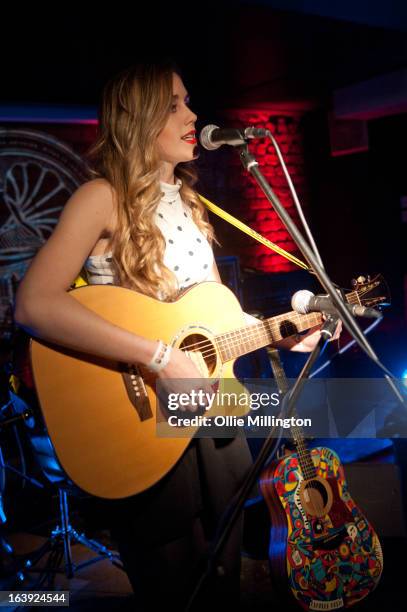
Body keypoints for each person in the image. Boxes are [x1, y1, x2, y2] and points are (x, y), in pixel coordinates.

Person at [13, 60, 339, 610]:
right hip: (141, 416)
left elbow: (211, 318)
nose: (192, 114)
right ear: (136, 119)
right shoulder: (101, 197)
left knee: (226, 575)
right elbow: (34, 304)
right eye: (173, 105)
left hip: (213, 410)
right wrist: (159, 356)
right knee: (174, 588)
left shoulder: (192, 204)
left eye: (188, 101)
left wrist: (280, 333)